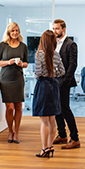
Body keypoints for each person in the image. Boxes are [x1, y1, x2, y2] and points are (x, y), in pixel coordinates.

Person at [33, 30, 65, 158]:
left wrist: (42, 74)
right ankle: (50, 146)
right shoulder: (56, 55)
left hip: (43, 86)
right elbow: (62, 71)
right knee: (52, 120)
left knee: (44, 121)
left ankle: (44, 148)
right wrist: (54, 74)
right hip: (53, 86)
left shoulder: (39, 54)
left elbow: (37, 73)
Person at [0, 22, 28, 143]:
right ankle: (10, 131)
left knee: (18, 106)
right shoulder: (3, 45)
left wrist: (21, 64)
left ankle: (17, 133)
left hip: (18, 79)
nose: (15, 33)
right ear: (9, 32)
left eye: (17, 30)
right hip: (6, 79)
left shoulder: (23, 46)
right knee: (10, 107)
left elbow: (26, 63)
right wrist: (8, 62)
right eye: (13, 31)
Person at [52, 19, 81, 149]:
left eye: (57, 29)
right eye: (53, 28)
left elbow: (73, 65)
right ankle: (62, 135)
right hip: (54, 81)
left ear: (63, 29)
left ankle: (75, 139)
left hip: (64, 82)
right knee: (57, 110)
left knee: (65, 110)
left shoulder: (71, 44)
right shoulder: (54, 43)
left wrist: (65, 81)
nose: (55, 31)